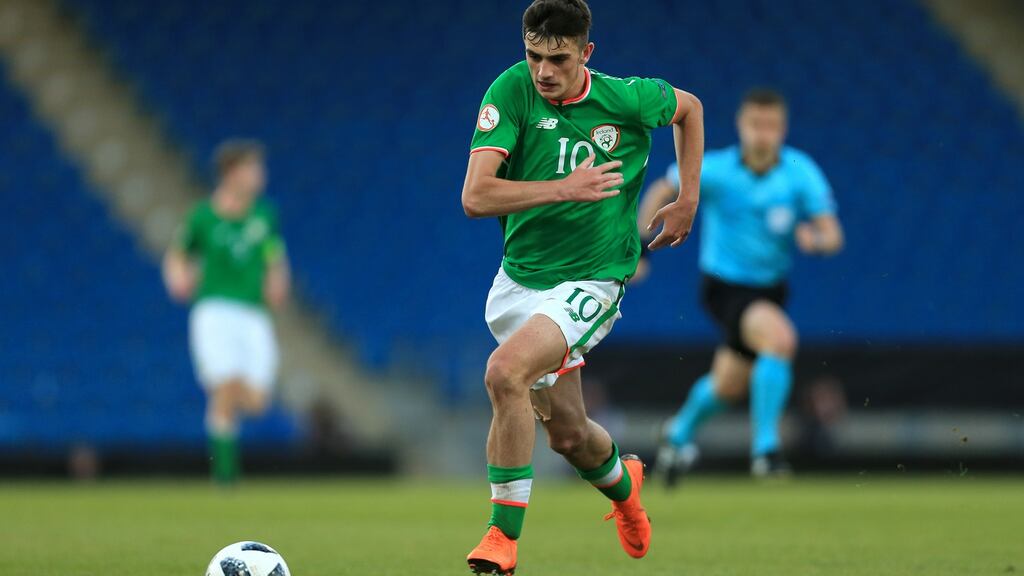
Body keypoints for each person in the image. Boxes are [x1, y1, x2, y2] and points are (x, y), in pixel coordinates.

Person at [461, 0, 703, 572]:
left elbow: (689, 110)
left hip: (592, 280)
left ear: (585, 53)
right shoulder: (511, 90)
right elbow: (476, 196)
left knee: (504, 373)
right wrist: (562, 189)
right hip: (519, 283)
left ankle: (501, 537)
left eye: (557, 58)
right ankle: (627, 491)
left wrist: (687, 196)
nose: (543, 70)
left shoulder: (625, 98)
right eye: (533, 55)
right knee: (569, 436)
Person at [638, 88, 843, 484]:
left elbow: (832, 235)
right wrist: (643, 249)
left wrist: (814, 241)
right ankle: (765, 450)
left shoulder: (799, 172)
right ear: (741, 126)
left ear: (782, 129)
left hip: (770, 290)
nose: (763, 134)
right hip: (725, 288)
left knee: (728, 385)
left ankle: (677, 434)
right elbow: (663, 189)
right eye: (755, 124)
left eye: (771, 125)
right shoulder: (716, 169)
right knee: (780, 340)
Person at [162, 139, 290, 485]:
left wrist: (278, 279)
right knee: (224, 385)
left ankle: (224, 458)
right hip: (214, 310)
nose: (260, 175)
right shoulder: (203, 217)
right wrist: (177, 277)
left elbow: (273, 254)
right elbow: (177, 254)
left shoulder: (264, 215)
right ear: (232, 173)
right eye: (253, 168)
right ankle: (225, 475)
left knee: (259, 400)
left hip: (253, 313)